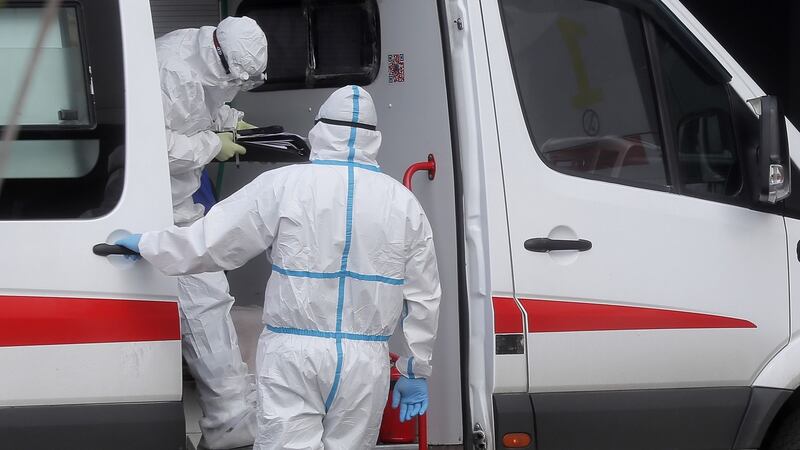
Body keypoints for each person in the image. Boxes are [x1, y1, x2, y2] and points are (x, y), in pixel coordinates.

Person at [116, 85, 441, 449]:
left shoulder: (284, 184)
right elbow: (424, 295)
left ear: (318, 130)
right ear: (375, 139)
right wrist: (415, 368)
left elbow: (211, 242)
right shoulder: (404, 202)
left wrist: (147, 244)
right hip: (365, 362)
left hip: (293, 356)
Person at [155, 16, 268, 449]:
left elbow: (212, 98)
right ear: (219, 54)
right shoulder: (170, 68)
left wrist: (235, 123)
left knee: (210, 299)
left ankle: (231, 418)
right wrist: (211, 146)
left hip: (180, 205)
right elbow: (152, 143)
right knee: (202, 303)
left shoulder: (211, 58)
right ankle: (229, 420)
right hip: (156, 206)